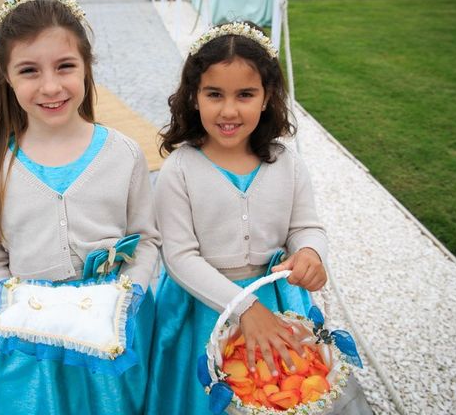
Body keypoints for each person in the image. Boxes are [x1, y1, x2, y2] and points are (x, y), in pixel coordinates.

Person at [145, 22, 371, 414]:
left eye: (245, 94)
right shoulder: (179, 171)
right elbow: (179, 257)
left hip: (277, 301)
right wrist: (245, 309)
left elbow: (306, 226)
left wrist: (311, 254)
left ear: (267, 98)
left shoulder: (288, 164)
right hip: (203, 309)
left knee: (281, 388)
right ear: (194, 97)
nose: (229, 110)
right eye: (214, 94)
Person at [0, 0, 160, 415]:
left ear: (87, 67)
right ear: (6, 76)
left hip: (109, 333)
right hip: (32, 344)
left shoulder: (123, 154)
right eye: (30, 70)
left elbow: (146, 239)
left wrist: (132, 295)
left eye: (65, 66)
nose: (50, 86)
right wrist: (15, 306)